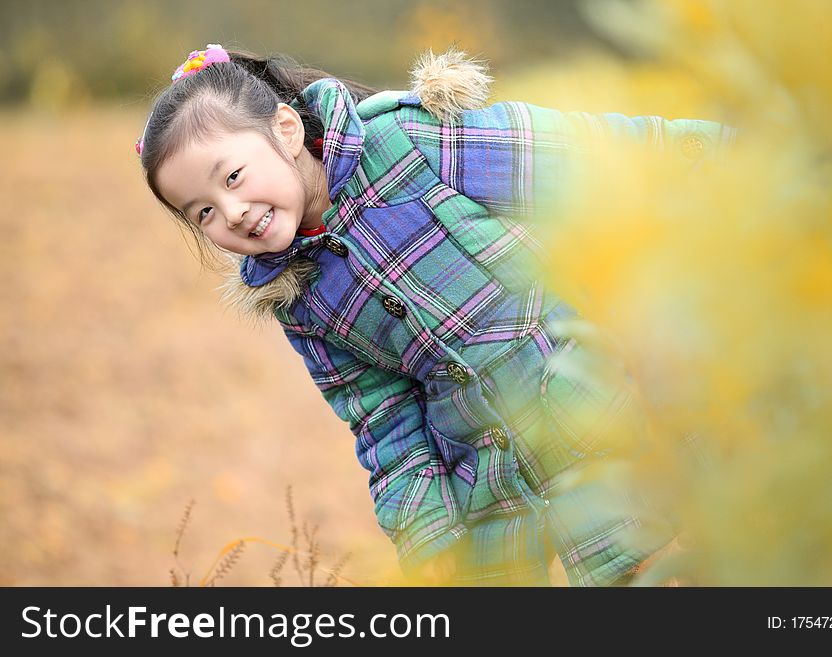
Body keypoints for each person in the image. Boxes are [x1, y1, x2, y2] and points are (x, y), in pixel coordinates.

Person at [136, 43, 734, 586]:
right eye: (203, 213)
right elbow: (383, 421)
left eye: (232, 178)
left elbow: (589, 159)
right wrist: (428, 536)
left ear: (286, 129)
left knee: (662, 565)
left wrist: (736, 157)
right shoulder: (295, 294)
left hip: (598, 402)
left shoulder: (411, 144)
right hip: (490, 479)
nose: (232, 212)